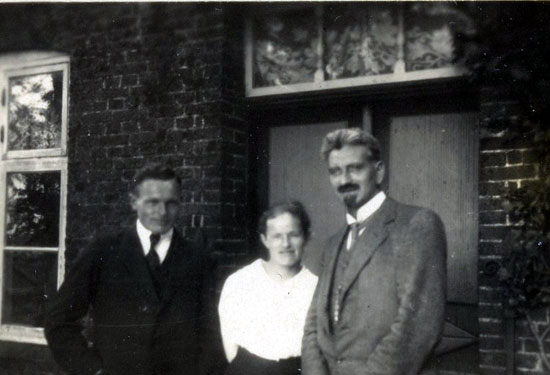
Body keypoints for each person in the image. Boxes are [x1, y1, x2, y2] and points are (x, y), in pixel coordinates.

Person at [301, 128, 447, 375]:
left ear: (378, 171)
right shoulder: (334, 243)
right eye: (335, 172)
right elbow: (314, 325)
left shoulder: (416, 225)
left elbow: (417, 326)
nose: (344, 179)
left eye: (354, 168)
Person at [45, 163, 214, 375]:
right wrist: (91, 370)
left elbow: (211, 332)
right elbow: (58, 321)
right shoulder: (103, 251)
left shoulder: (198, 259)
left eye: (171, 203)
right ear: (134, 202)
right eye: (153, 202)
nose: (162, 212)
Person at [218, 201, 318, 375]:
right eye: (277, 236)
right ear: (265, 240)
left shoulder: (317, 286)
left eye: (293, 235)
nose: (285, 244)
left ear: (306, 237)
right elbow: (230, 344)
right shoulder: (240, 281)